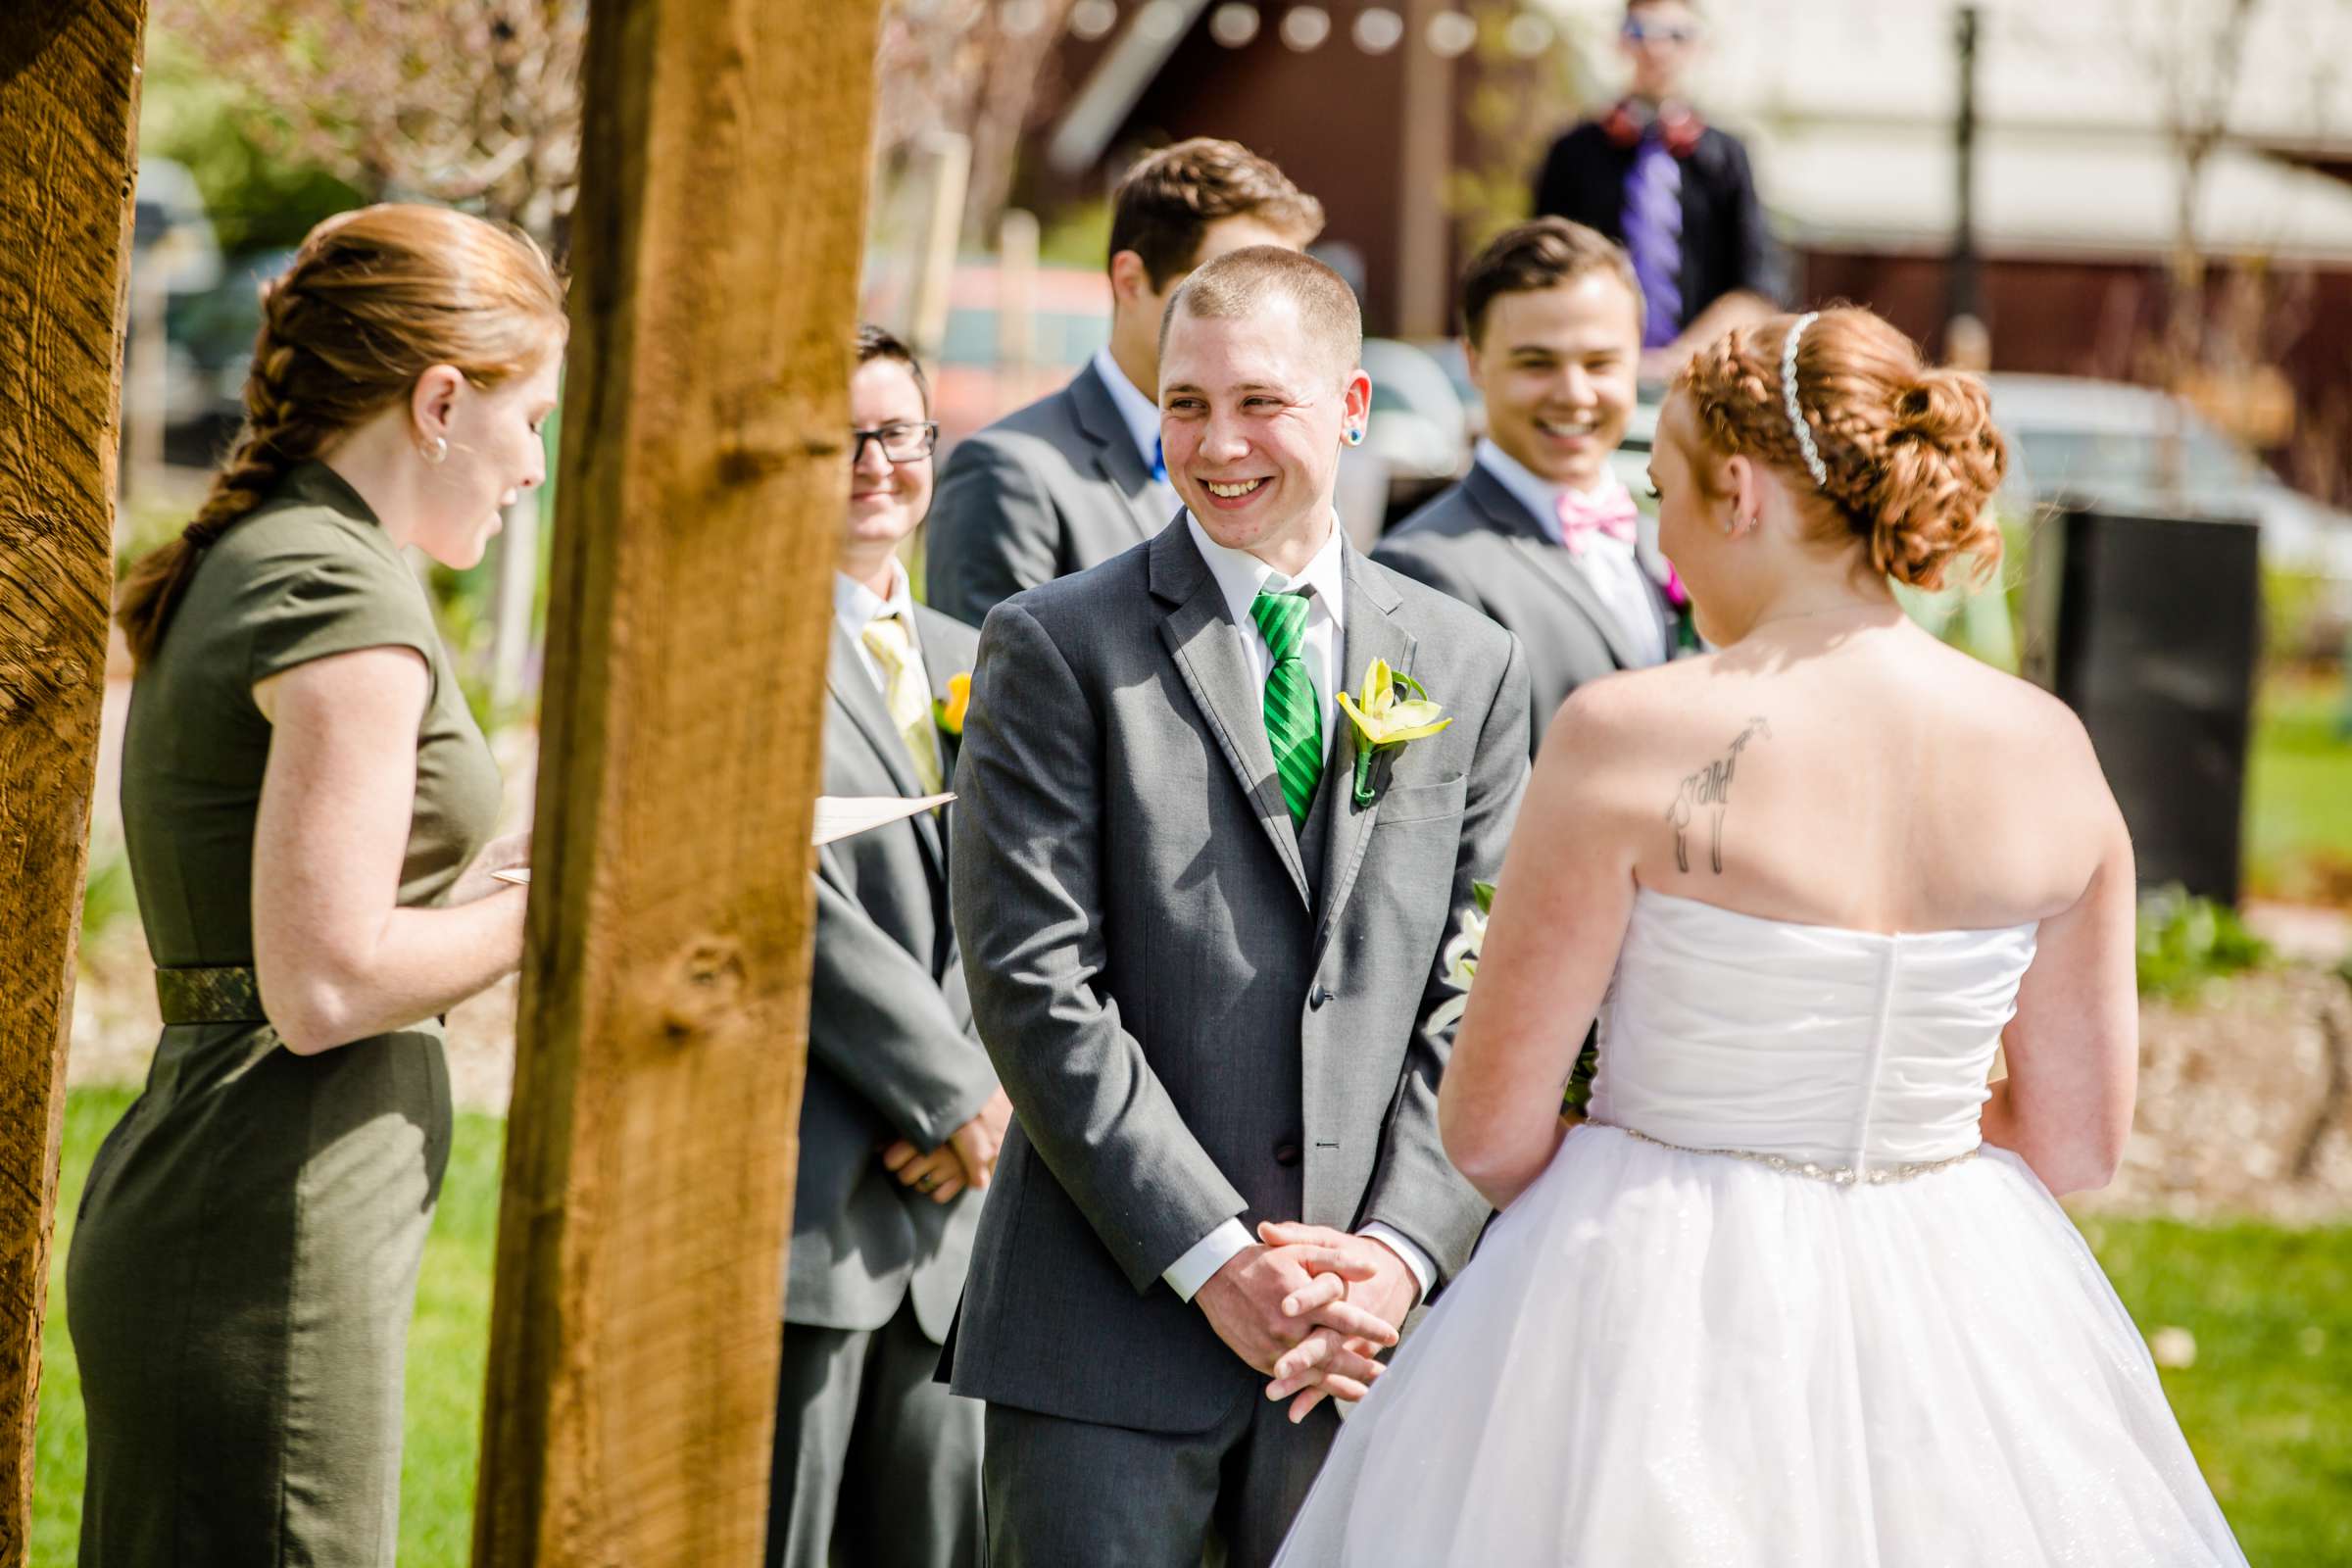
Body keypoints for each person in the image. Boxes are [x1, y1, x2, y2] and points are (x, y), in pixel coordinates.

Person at [1275, 308, 2247, 1564]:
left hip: (1646, 1300)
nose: (1656, 527)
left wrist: (1657, 1159)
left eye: (1661, 484)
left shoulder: (1629, 735)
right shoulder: (2051, 750)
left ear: (1738, 490)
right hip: (1958, 1299)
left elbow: (1488, 1127)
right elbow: (2075, 1140)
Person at [946, 246, 1529, 1567]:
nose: (1216, 445)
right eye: (1184, 404)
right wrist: (1215, 1256)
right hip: (1107, 1335)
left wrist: (1394, 1254)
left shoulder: (1469, 663)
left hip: (1368, 1355)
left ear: (1355, 405)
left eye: (1259, 402)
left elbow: (1481, 981)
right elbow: (1035, 982)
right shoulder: (1056, 644)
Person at [69, 205, 564, 1568]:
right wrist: (568, 903)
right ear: (442, 401)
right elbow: (326, 981)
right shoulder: (333, 595)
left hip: (246, 1211)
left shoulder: (295, 553)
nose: (534, 466)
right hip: (265, 1235)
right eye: (532, 421)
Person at [765, 326, 1008, 1568]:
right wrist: (950, 1087)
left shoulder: (987, 660)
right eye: (838, 438)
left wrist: (999, 1090)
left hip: (960, 1216)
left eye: (898, 434)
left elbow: (1040, 897)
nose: (874, 464)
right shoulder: (744, 657)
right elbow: (771, 888)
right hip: (814, 1194)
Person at [923, 137, 1324, 626]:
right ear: (1131, 280)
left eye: (1284, 295)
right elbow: (993, 690)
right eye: (1231, 292)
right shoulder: (1009, 475)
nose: (1262, 322)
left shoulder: (1293, 460)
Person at [1375, 219, 1685, 755]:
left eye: (1600, 363)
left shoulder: (1670, 540)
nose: (1573, 393)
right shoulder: (1419, 570)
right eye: (1536, 363)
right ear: (1475, 363)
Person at [1532, 0, 1777, 380]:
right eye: (1640, 31)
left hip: (1702, 374)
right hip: (1593, 370)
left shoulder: (1727, 157)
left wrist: (1681, 357)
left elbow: (1758, 285)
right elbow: (1545, 267)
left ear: (1699, 47)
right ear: (1620, 43)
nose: (1657, 49)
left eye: (1676, 35)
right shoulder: (1573, 153)